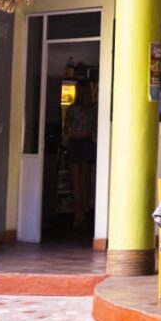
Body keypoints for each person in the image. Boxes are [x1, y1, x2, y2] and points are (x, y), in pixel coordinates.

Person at [64, 80, 97, 231]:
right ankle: (83, 211)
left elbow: (66, 129)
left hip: (75, 144)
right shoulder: (93, 109)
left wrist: (72, 132)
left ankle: (78, 215)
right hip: (87, 143)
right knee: (86, 180)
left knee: (76, 181)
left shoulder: (71, 109)